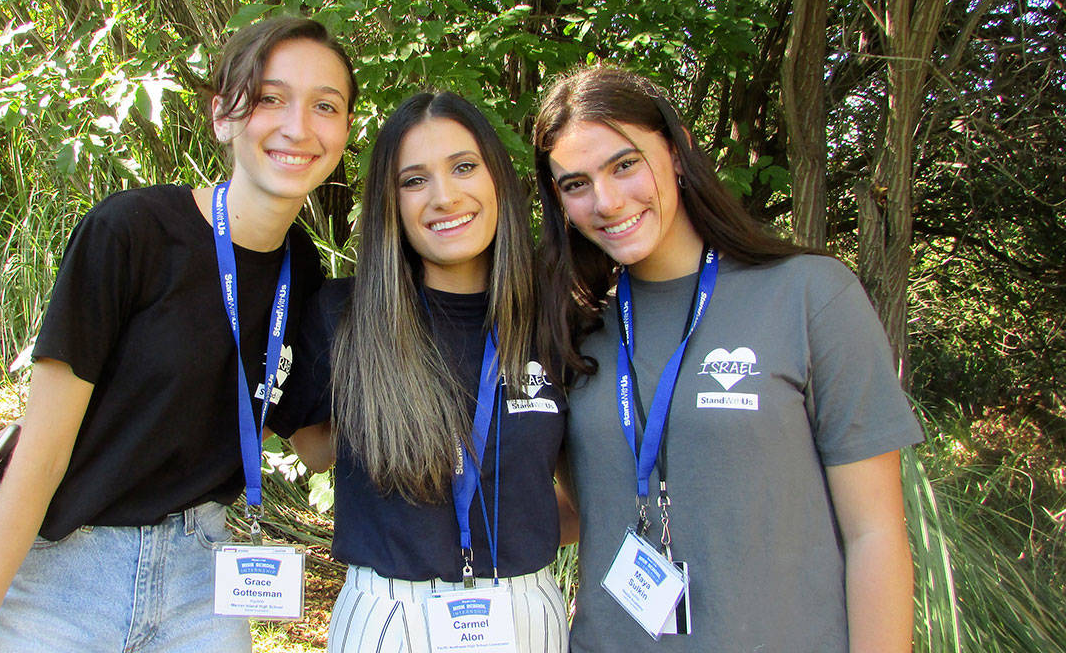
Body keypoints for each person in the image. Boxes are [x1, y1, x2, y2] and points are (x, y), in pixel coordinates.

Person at [0, 16, 357, 653]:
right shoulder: (129, 232)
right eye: (271, 97)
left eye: (324, 106)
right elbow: (41, 463)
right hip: (72, 573)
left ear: (345, 130)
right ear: (223, 115)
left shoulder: (302, 268)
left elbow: (306, 439)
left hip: (203, 577)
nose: (299, 126)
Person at [531, 66, 922, 652]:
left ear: (679, 151)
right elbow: (584, 505)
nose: (607, 201)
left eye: (624, 164)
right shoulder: (573, 326)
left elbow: (875, 535)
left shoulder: (810, 295)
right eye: (576, 184)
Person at [284, 92, 571, 653]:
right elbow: (316, 450)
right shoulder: (344, 314)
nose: (445, 196)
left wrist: (517, 538)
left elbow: (584, 495)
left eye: (464, 167)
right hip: (388, 614)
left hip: (524, 612)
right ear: (389, 203)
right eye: (414, 180)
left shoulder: (556, 315)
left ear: (498, 180)